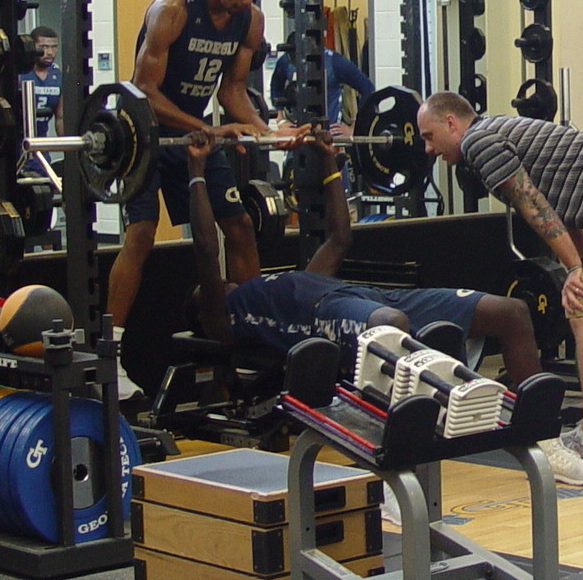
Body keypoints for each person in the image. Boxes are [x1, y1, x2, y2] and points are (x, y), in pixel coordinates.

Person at [417, 91, 583, 487]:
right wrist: (582, 262)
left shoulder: (478, 142)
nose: (428, 148)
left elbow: (532, 203)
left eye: (430, 135)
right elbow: (561, 206)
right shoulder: (497, 131)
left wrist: (574, 269)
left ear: (452, 123)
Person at [182, 125, 541, 386]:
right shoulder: (224, 318)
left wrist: (329, 163)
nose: (224, 282)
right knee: (390, 324)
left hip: (364, 296)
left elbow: (340, 238)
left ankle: (535, 430)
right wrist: (196, 172)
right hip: (326, 318)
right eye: (213, 287)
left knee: (511, 312)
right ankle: (433, 418)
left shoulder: (291, 282)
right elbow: (205, 248)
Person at [106, 0, 296, 340]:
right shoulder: (172, 9)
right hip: (143, 134)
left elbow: (232, 91)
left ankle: (252, 330)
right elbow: (143, 92)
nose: (247, 0)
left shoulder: (250, 20)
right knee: (141, 234)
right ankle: (111, 350)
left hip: (194, 133)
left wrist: (269, 132)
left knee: (241, 226)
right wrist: (207, 128)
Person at [21, 26, 61, 139]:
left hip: (40, 142)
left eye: (54, 47)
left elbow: (60, 118)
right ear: (33, 47)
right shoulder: (19, 74)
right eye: (44, 47)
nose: (49, 52)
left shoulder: (57, 75)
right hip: (15, 143)